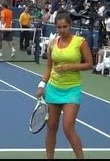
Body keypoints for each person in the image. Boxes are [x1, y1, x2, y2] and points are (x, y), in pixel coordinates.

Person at [36, 12, 93, 159]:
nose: (62, 30)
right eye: (59, 27)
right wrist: (42, 85)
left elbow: (90, 64)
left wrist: (70, 67)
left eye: (65, 27)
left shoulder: (80, 42)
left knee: (68, 128)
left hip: (72, 90)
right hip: (53, 88)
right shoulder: (52, 43)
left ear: (70, 26)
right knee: (51, 127)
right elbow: (49, 67)